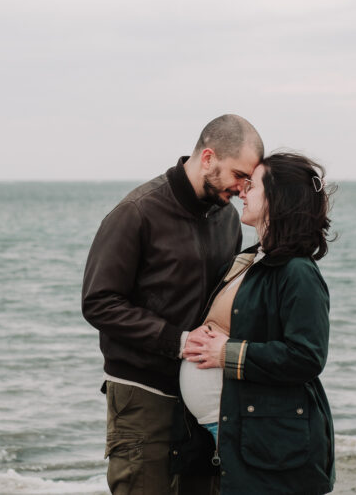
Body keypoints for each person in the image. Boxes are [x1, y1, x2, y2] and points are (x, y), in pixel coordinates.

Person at [82, 114, 264, 495]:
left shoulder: (228, 221)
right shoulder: (137, 212)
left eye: (249, 180)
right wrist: (178, 341)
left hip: (205, 397)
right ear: (208, 157)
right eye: (238, 175)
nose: (242, 188)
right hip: (142, 392)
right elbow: (98, 302)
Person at [180, 152, 336, 494]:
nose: (242, 192)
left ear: (277, 198)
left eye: (252, 185)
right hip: (234, 430)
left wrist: (226, 354)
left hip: (270, 441)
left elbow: (307, 357)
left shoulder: (298, 272)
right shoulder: (248, 261)